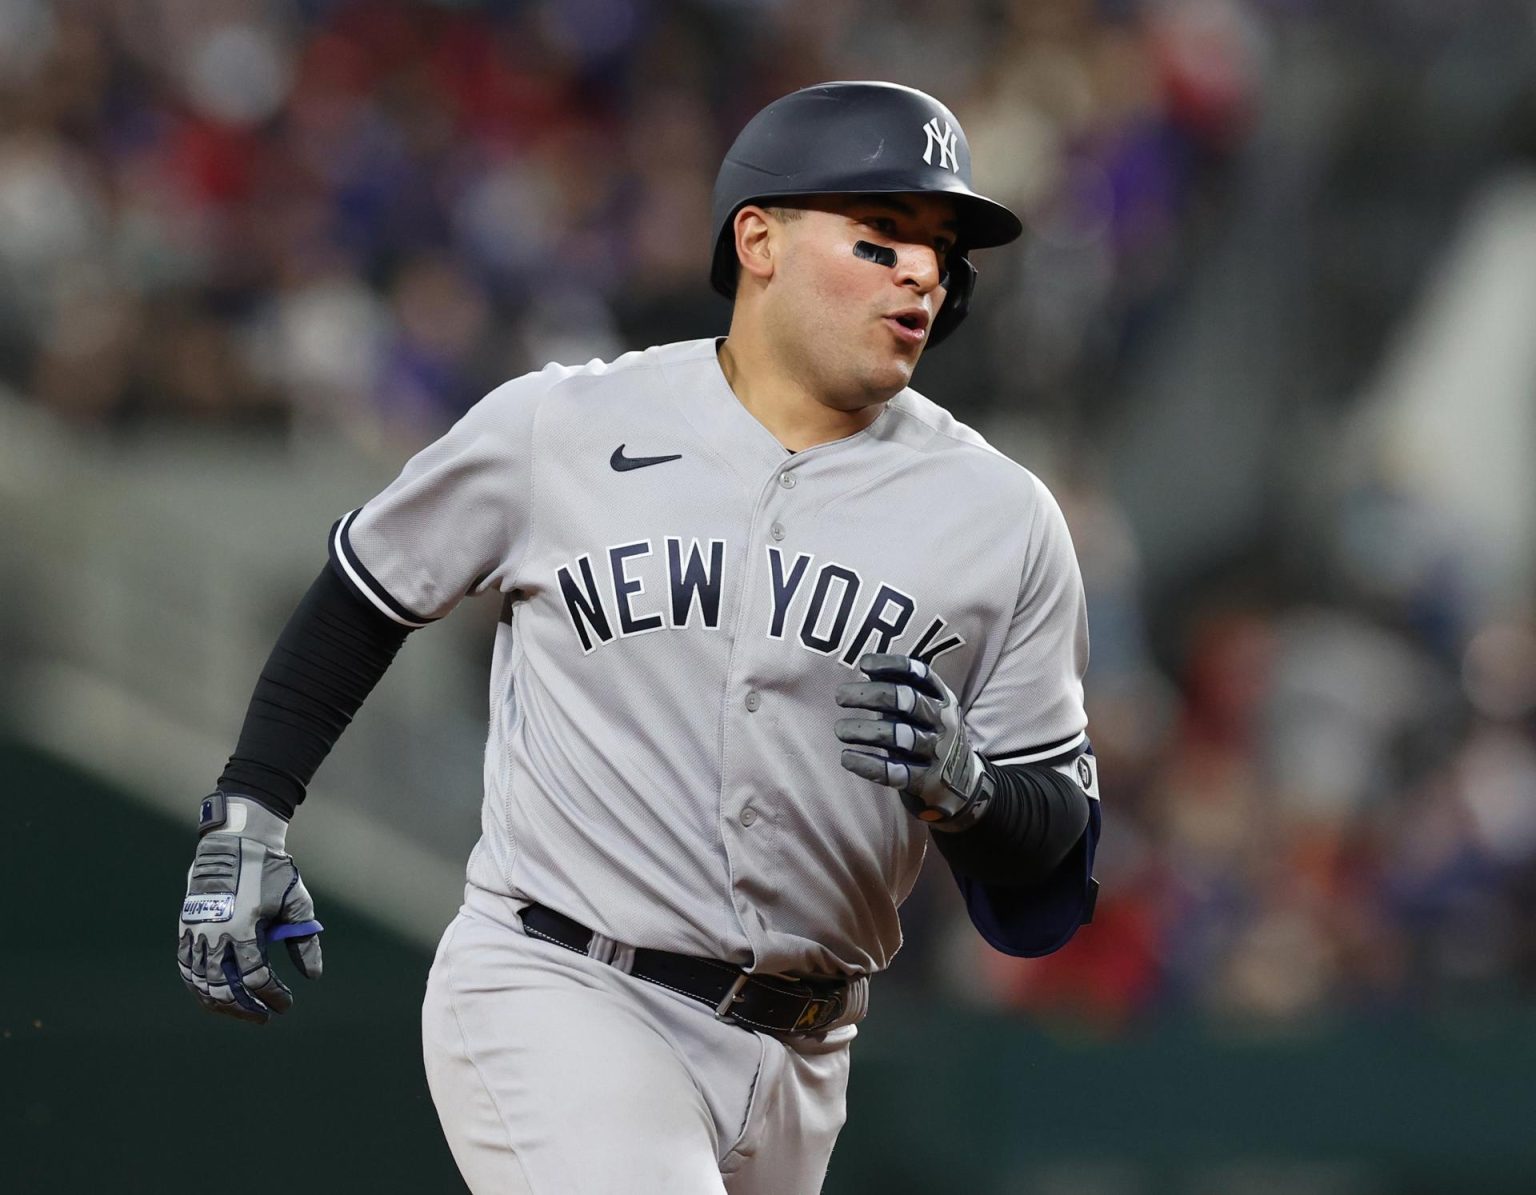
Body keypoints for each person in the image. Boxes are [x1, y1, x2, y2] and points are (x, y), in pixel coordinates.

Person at [176, 80, 1101, 1195]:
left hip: (804, 1057)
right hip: (563, 984)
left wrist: (975, 787)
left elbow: (1053, 866)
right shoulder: (563, 425)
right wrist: (250, 811)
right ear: (758, 239)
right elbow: (367, 590)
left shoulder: (1001, 518)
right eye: (882, 236)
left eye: (941, 249)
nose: (923, 271)